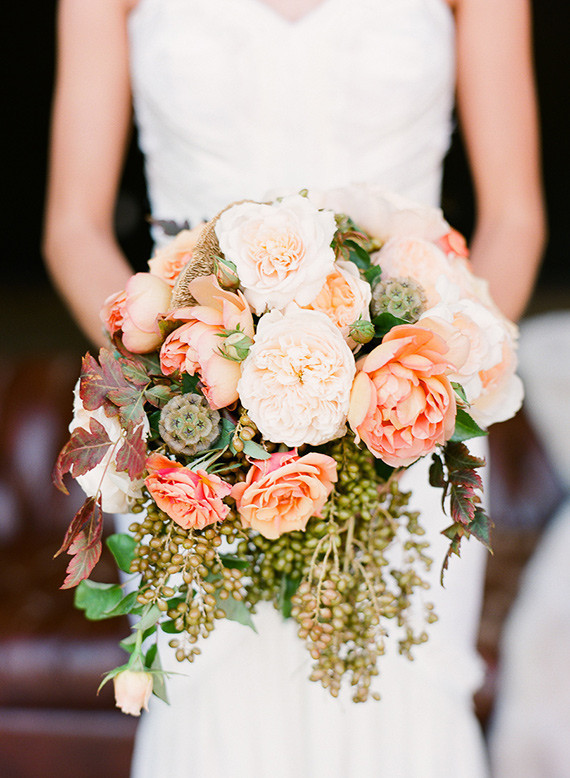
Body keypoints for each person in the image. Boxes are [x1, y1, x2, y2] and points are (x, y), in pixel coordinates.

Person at [43, 1, 545, 776]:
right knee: (214, 700)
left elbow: (516, 218)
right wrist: (176, 374)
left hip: (400, 432)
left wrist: (419, 379)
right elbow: (71, 227)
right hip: (196, 429)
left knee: (400, 705)